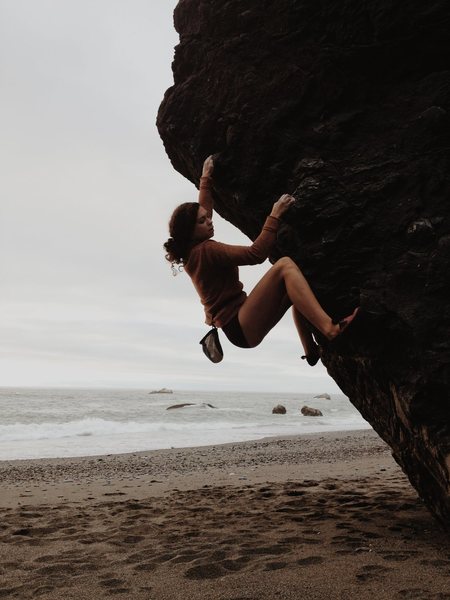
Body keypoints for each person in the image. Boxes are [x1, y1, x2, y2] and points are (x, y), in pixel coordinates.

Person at [163, 155, 359, 365]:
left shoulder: (191, 249)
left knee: (296, 287)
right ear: (191, 231)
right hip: (239, 323)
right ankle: (330, 329)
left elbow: (203, 209)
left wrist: (206, 179)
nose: (209, 221)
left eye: (207, 217)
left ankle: (311, 351)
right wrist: (274, 215)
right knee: (285, 266)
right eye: (203, 221)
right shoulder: (206, 250)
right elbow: (255, 254)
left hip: (239, 324)